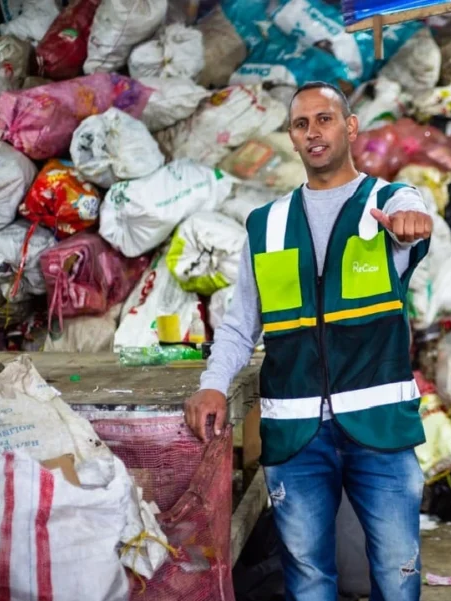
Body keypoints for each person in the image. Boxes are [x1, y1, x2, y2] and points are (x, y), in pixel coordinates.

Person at [183, 81, 433, 601]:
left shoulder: (388, 205)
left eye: (325, 119)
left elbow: (411, 208)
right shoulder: (267, 224)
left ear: (350, 126)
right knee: (308, 579)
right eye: (302, 124)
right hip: (294, 434)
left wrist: (411, 215)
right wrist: (212, 385)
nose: (314, 132)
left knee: (397, 571)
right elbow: (239, 324)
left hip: (379, 428)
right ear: (292, 139)